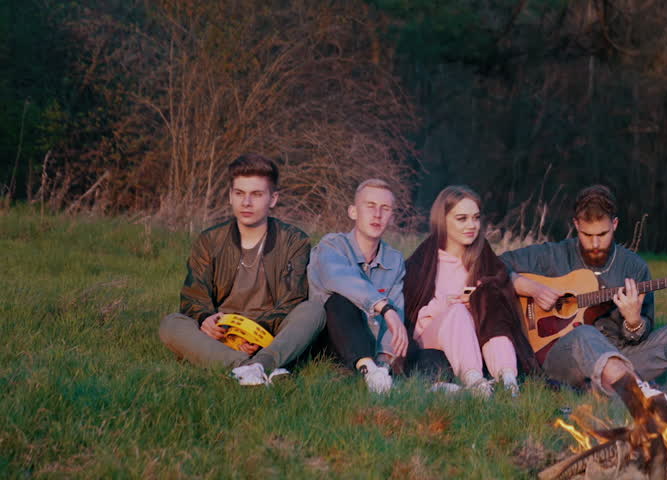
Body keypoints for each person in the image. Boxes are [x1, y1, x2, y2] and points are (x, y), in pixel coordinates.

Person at [501, 185, 667, 420]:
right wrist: (531, 288)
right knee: (585, 333)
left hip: (622, 355)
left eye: (603, 234)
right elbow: (494, 266)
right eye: (587, 235)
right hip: (561, 356)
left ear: (615, 224)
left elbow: (641, 336)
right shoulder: (552, 256)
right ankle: (636, 394)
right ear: (576, 225)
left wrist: (633, 321)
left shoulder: (634, 267)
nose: (595, 243)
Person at [159, 154, 324, 386]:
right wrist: (205, 319)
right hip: (222, 336)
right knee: (171, 324)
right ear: (230, 196)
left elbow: (292, 301)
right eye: (239, 193)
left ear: (273, 199)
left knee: (314, 311)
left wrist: (255, 333)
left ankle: (259, 363)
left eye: (256, 194)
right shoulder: (209, 240)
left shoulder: (295, 241)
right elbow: (194, 296)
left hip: (270, 334)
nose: (246, 203)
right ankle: (247, 366)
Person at [402, 186, 538, 395]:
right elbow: (412, 313)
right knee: (457, 311)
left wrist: (478, 302)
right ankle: (474, 381)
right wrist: (447, 303)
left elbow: (501, 300)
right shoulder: (424, 259)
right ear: (443, 220)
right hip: (432, 335)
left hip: (476, 337)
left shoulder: (483, 256)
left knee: (491, 299)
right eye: (462, 219)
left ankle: (508, 379)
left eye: (476, 218)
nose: (471, 225)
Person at [308, 178, 409, 393]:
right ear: (353, 212)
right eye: (370, 206)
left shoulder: (394, 260)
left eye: (385, 208)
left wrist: (384, 361)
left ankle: (377, 373)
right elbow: (338, 278)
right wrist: (384, 307)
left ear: (392, 217)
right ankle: (368, 370)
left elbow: (396, 316)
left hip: (369, 344)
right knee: (340, 300)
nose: (377, 214)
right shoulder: (331, 245)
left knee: (396, 316)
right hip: (327, 341)